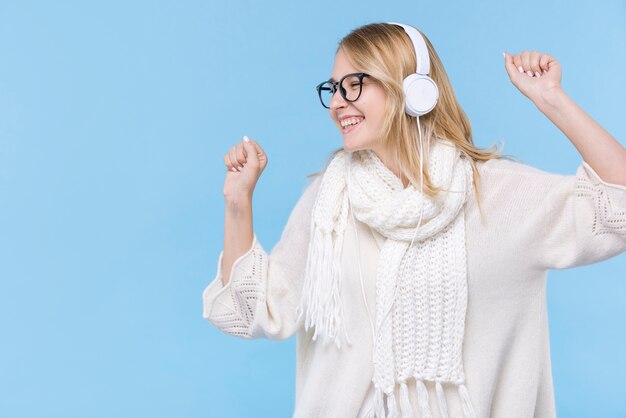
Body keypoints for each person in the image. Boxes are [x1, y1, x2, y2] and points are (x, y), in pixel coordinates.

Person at [203, 22, 626, 418]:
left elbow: (619, 210)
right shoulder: (329, 203)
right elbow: (251, 312)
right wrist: (237, 202)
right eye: (333, 88)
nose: (336, 104)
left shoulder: (498, 195)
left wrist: (552, 99)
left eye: (353, 85)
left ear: (413, 89)